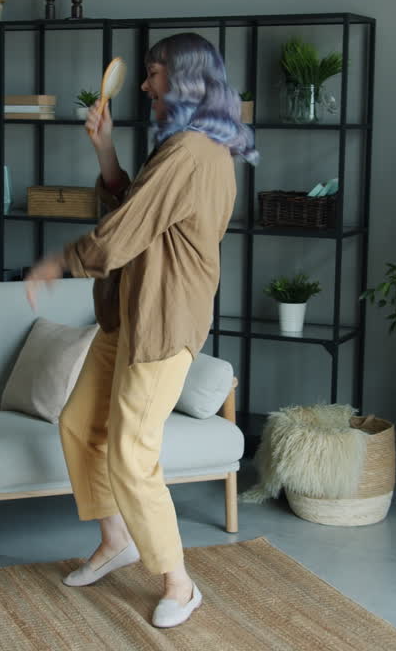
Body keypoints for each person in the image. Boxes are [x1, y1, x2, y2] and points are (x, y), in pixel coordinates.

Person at [24, 33, 257, 628]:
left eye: (155, 75)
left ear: (181, 81)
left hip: (162, 322)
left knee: (132, 453)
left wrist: (59, 263)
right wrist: (105, 151)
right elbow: (138, 208)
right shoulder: (182, 147)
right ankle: (116, 540)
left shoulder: (192, 153)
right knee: (80, 423)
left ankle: (179, 583)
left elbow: (123, 232)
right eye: (148, 74)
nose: (148, 86)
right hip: (129, 314)